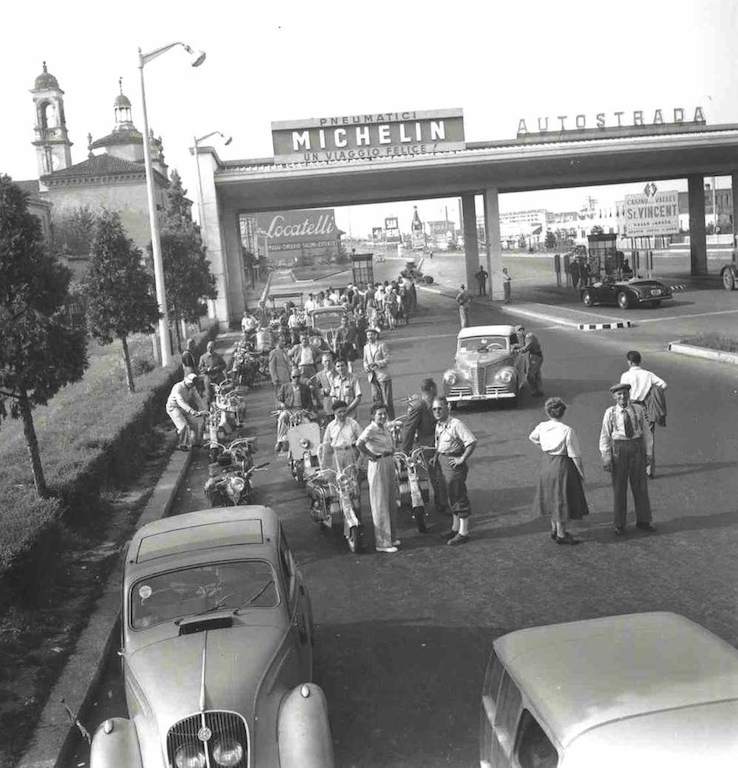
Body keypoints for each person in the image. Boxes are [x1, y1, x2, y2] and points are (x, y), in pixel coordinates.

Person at [529, 397, 589, 545]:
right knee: (561, 499)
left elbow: (532, 437)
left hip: (546, 464)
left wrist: (543, 446)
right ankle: (562, 534)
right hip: (562, 466)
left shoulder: (542, 426)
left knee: (551, 497)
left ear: (548, 412)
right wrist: (581, 473)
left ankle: (554, 529)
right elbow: (574, 455)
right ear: (562, 412)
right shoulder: (567, 430)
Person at [599, 382, 655, 536]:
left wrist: (649, 453)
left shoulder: (638, 410)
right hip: (619, 449)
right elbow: (604, 436)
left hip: (637, 447)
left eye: (625, 393)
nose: (622, 397)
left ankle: (644, 520)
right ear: (614, 397)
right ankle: (619, 524)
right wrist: (606, 456)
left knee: (640, 486)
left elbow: (647, 433)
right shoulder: (610, 413)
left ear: (629, 395)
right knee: (619, 488)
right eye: (619, 394)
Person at [431, 397, 477, 545]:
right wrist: (436, 456)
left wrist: (462, 459)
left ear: (447, 407)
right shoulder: (439, 424)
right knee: (450, 496)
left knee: (458, 495)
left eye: (440, 408)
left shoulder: (456, 424)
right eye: (434, 409)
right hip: (442, 462)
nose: (437, 412)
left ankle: (464, 532)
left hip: (454, 463)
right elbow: (439, 443)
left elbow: (471, 441)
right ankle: (455, 528)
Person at [356, 404, 400, 553]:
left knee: (390, 500)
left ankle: (391, 537)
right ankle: (382, 543)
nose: (382, 416)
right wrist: (371, 455)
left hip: (388, 462)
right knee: (380, 502)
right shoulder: (371, 429)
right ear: (372, 416)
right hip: (378, 464)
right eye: (379, 414)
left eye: (384, 414)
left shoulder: (385, 427)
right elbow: (359, 444)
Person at [620, 350, 667, 478]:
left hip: (631, 408)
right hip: (646, 407)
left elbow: (622, 393)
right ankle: (649, 470)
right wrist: (652, 392)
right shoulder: (648, 374)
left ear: (629, 362)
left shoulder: (625, 376)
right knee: (649, 438)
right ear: (639, 361)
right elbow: (663, 384)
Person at [275, 367, 316, 452]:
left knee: (307, 422)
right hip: (289, 410)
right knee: (282, 417)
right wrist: (281, 404)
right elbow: (278, 400)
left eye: (298, 376)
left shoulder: (305, 388)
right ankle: (280, 440)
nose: (296, 379)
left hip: (301, 411)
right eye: (294, 377)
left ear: (300, 377)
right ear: (291, 377)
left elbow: (310, 403)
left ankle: (309, 444)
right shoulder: (285, 387)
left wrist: (306, 411)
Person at [166, 373, 208, 451]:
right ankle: (182, 444)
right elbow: (180, 401)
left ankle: (195, 443)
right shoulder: (178, 387)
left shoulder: (192, 388)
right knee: (183, 426)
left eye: (193, 384)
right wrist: (191, 411)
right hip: (174, 407)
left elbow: (197, 398)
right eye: (191, 384)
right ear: (187, 381)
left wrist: (204, 409)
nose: (192, 385)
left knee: (194, 423)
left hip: (184, 407)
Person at [321, 400, 362, 471]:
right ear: (334, 412)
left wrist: (360, 459)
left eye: (344, 411)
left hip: (351, 453)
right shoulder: (331, 426)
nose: (342, 414)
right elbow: (326, 445)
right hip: (337, 455)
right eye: (339, 412)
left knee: (352, 479)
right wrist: (324, 465)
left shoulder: (353, 423)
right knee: (339, 478)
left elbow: (362, 439)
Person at [363, 327, 394, 418]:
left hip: (383, 375)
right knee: (376, 399)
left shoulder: (381, 345)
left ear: (375, 335)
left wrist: (377, 363)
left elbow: (388, 359)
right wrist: (366, 367)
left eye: (371, 335)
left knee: (387, 401)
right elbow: (364, 360)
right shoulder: (366, 347)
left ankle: (391, 420)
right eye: (368, 335)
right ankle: (379, 419)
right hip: (372, 376)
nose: (370, 337)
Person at [401, 378, 437, 455]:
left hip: (439, 446)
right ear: (432, 388)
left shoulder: (435, 403)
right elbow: (409, 429)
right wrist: (405, 451)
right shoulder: (419, 407)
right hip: (427, 448)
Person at [520, 331, 544, 397]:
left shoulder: (529, 337)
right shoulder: (529, 336)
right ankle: (539, 390)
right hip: (535, 356)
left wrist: (517, 350)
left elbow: (525, 349)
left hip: (535, 357)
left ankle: (535, 391)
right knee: (537, 374)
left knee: (530, 375)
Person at [313, 352, 337, 416]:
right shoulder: (319, 375)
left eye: (329, 361)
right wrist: (323, 391)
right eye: (325, 361)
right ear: (322, 362)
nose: (328, 363)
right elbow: (316, 389)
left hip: (339, 398)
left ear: (332, 361)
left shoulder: (338, 371)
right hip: (328, 400)